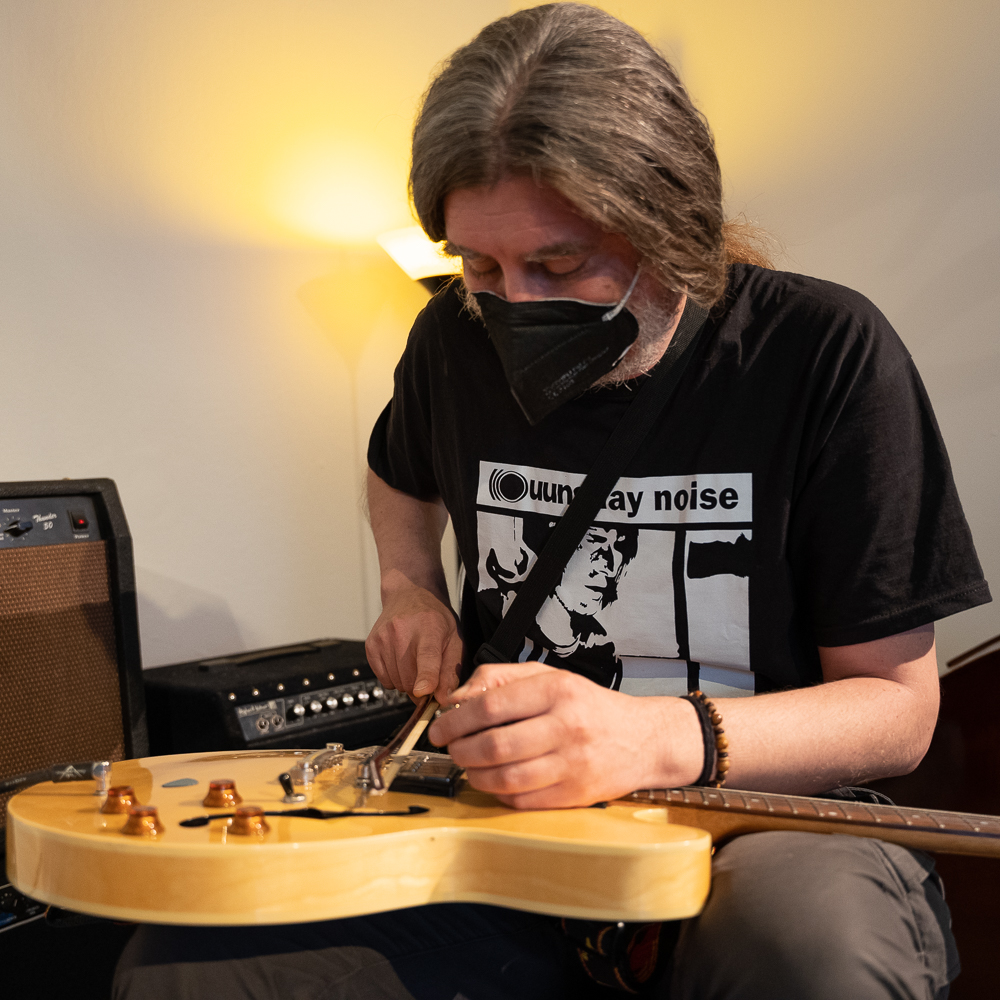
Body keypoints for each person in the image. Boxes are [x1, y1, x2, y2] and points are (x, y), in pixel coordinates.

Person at [115, 5, 990, 998]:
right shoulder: (451, 340)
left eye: (560, 263)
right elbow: (398, 471)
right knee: (190, 972)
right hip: (508, 820)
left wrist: (652, 736)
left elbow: (896, 710)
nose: (514, 305)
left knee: (806, 952)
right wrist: (409, 589)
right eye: (480, 265)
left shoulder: (822, 352)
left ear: (666, 224)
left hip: (759, 815)